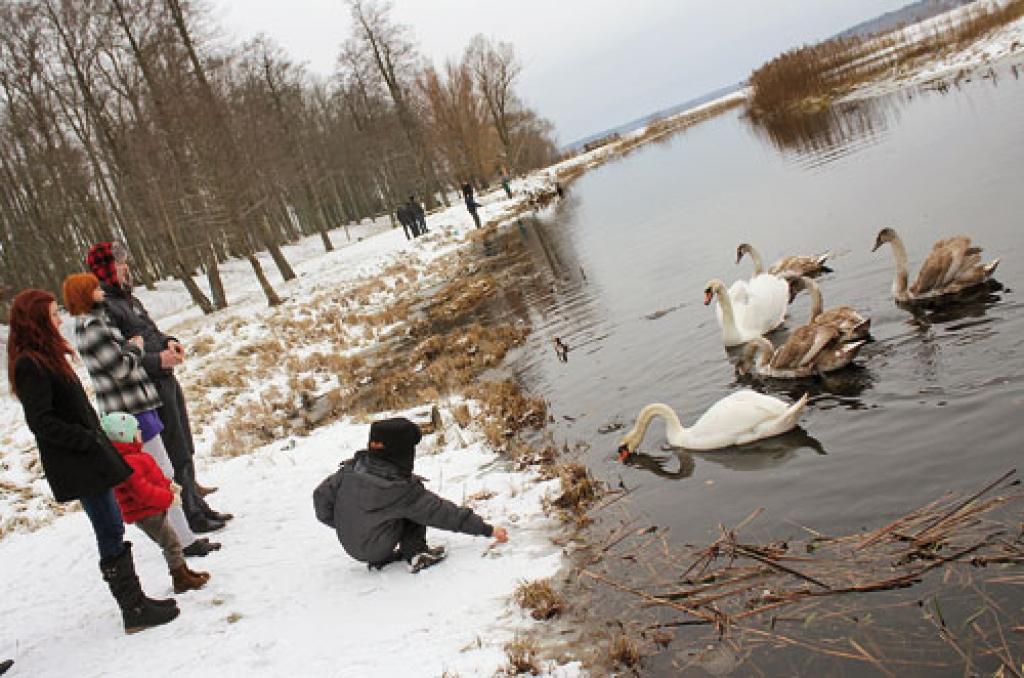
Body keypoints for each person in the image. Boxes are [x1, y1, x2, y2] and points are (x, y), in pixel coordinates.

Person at [7, 289, 178, 633]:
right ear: (36, 320)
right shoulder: (30, 363)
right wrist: (86, 440)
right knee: (109, 529)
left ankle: (136, 602)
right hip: (79, 463)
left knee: (112, 526)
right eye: (53, 315)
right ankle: (133, 609)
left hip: (90, 456)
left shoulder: (48, 355)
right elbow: (41, 421)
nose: (59, 320)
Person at [62, 272, 220, 557]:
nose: (101, 290)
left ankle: (184, 538)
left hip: (139, 404)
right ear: (85, 293)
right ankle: (182, 541)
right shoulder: (92, 326)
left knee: (164, 472)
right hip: (129, 410)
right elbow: (121, 368)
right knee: (160, 474)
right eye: (94, 287)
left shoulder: (99, 321)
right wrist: (136, 346)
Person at [86, 242, 232, 534]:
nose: (126, 267)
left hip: (166, 378)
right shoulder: (106, 308)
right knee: (173, 448)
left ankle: (196, 502)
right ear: (107, 268)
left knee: (184, 442)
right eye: (120, 263)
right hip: (147, 387)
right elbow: (122, 355)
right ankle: (188, 513)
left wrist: (169, 341)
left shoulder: (128, 299)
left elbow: (149, 331)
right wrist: (157, 360)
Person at [313, 417, 509, 573]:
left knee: (392, 511)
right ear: (401, 453)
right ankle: (417, 555)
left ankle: (381, 558)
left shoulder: (350, 470)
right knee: (416, 510)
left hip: (350, 542)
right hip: (375, 546)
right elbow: (443, 513)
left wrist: (346, 523)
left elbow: (320, 498)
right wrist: (487, 529)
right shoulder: (399, 490)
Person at [100, 412, 211, 593]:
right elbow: (143, 492)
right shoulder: (129, 462)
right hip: (145, 512)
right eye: (136, 430)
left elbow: (154, 478)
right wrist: (168, 498)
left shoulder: (136, 456)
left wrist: (169, 486)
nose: (140, 433)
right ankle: (180, 578)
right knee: (171, 543)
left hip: (150, 509)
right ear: (125, 436)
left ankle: (183, 571)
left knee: (172, 541)